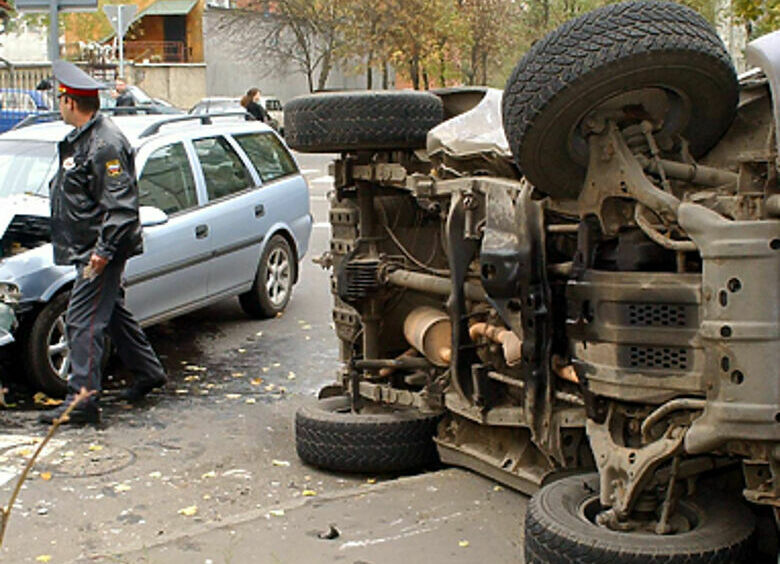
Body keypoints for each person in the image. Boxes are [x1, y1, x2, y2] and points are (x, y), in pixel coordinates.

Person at [39, 61, 166, 426]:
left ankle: (83, 401)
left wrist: (102, 253)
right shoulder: (85, 138)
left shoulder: (105, 143)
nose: (58, 105)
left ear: (70, 101)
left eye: (60, 99)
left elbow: (122, 208)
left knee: (82, 321)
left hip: (100, 251)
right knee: (109, 314)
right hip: (91, 247)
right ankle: (148, 371)